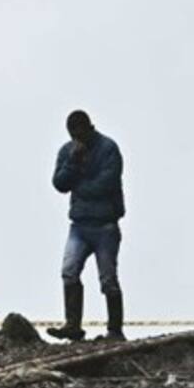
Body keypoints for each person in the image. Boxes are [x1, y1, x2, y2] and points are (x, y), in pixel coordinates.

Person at [49, 110, 126, 341]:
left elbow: (106, 183)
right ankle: (73, 325)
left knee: (108, 279)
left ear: (89, 127)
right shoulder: (67, 151)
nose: (76, 137)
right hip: (79, 224)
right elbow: (59, 183)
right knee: (69, 272)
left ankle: (115, 330)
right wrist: (73, 162)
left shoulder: (108, 148)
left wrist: (79, 187)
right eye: (72, 134)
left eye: (79, 132)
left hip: (105, 224)